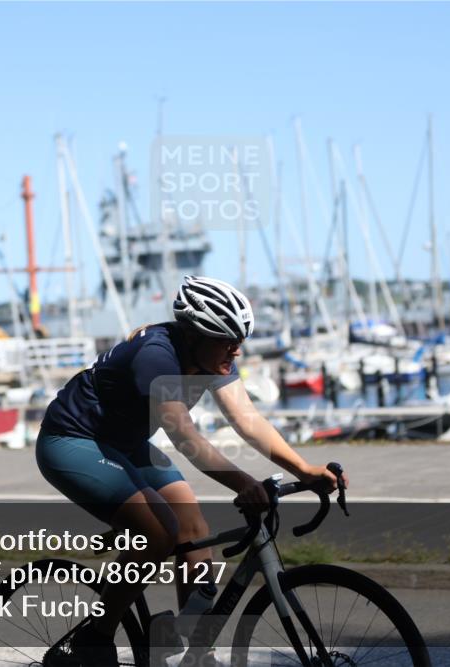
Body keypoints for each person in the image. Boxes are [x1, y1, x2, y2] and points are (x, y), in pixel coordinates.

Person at [36, 275, 345, 666]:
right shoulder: (156, 355)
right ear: (194, 334)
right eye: (225, 339)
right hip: (73, 441)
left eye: (239, 340)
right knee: (158, 531)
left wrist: (304, 468)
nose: (235, 350)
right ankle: (94, 638)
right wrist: (245, 483)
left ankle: (199, 655)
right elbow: (183, 435)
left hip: (127, 445)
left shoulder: (214, 358)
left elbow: (247, 420)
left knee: (195, 531)